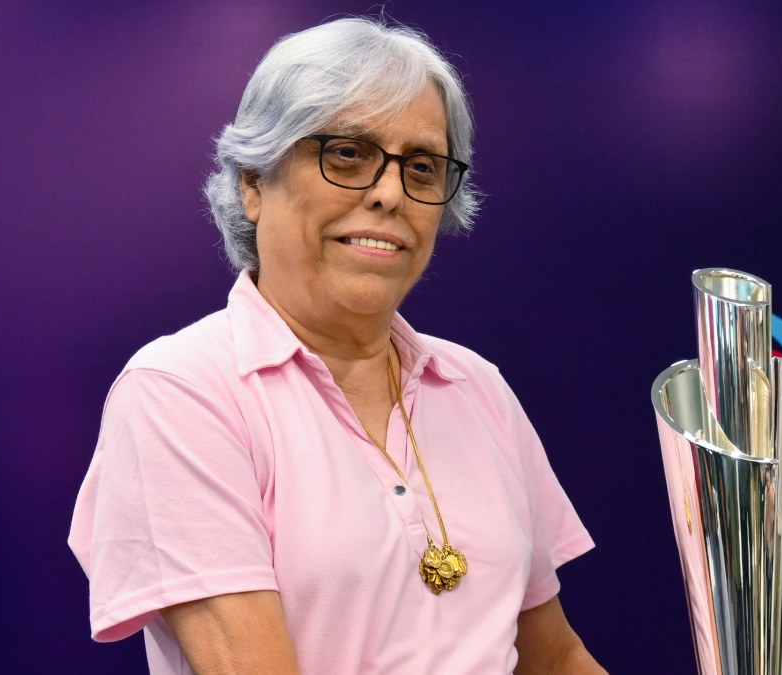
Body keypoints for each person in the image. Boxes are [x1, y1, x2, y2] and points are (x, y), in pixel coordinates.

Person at [69, 16, 602, 674]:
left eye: (422, 167)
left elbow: (554, 660)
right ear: (253, 181)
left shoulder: (478, 386)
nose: (390, 194)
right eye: (347, 153)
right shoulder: (181, 391)